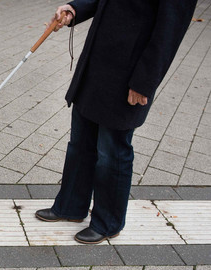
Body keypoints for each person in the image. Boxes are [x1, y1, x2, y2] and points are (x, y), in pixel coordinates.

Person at [35, 0, 197, 244]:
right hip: (97, 61)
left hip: (129, 71)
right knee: (80, 141)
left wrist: (145, 82)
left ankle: (108, 223)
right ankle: (70, 206)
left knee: (112, 150)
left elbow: (170, 30)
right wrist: (74, 8)